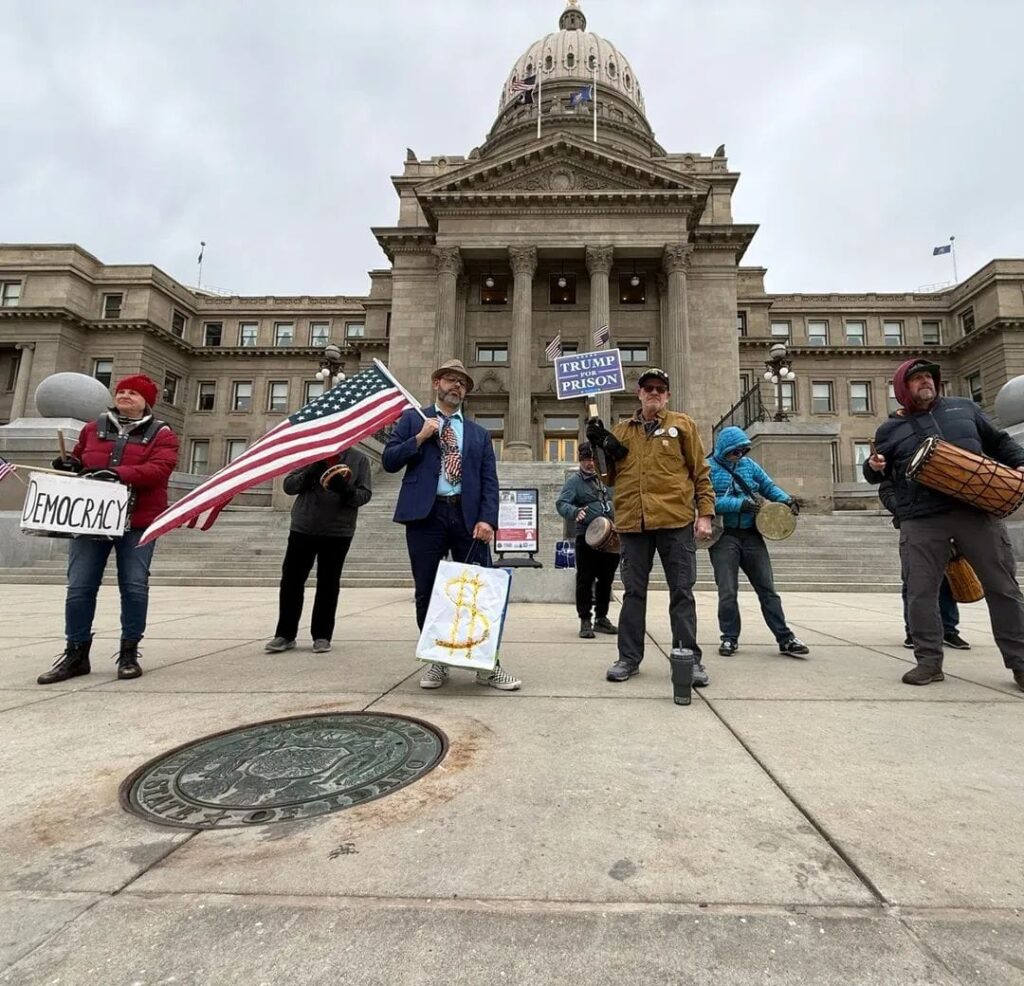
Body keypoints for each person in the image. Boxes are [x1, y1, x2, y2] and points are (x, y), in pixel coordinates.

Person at [864, 357, 1024, 690]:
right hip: (922, 520)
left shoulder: (964, 409)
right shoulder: (889, 430)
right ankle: (928, 661)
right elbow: (880, 478)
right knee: (921, 593)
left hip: (976, 513)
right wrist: (878, 475)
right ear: (902, 388)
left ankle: (1020, 663)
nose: (925, 382)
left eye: (929, 377)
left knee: (1004, 589)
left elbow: (1000, 442)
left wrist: (1020, 463)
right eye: (917, 379)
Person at [382, 358, 521, 691]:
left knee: (479, 595)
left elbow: (490, 479)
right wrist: (419, 438)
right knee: (427, 592)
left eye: (462, 383)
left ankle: (487, 665)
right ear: (436, 384)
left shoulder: (477, 433)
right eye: (451, 380)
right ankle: (437, 661)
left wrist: (488, 518)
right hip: (425, 516)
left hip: (466, 517)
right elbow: (389, 461)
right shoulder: (412, 420)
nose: (457, 386)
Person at [37, 374, 179, 684]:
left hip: (136, 521)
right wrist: (69, 464)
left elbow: (160, 469)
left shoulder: (162, 433)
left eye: (134, 393)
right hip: (92, 520)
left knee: (134, 586)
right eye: (122, 391)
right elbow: (80, 458)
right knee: (79, 587)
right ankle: (75, 653)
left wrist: (117, 474)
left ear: (147, 402)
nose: (125, 396)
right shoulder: (92, 428)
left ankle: (129, 653)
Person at [586, 368, 716, 684]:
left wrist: (705, 514)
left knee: (682, 591)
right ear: (639, 393)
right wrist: (600, 447)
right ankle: (628, 658)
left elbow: (700, 472)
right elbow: (608, 478)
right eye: (648, 388)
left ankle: (688, 659)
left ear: (667, 395)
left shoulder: (682, 425)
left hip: (674, 521)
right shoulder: (622, 430)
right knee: (633, 593)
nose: (654, 392)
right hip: (633, 523)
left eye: (660, 388)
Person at [706, 426, 809, 658]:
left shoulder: (750, 466)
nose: (739, 455)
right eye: (735, 451)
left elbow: (768, 486)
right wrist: (738, 505)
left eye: (743, 451)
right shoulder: (708, 468)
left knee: (767, 589)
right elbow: (704, 501)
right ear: (724, 449)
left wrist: (786, 500)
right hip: (724, 535)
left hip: (752, 534)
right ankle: (729, 638)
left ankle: (785, 638)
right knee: (728, 591)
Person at [264, 449, 372, 655]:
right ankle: (285, 634)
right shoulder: (311, 453)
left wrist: (346, 490)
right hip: (304, 527)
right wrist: (310, 472)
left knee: (328, 583)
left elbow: (364, 494)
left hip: (338, 531)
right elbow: (288, 486)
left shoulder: (359, 460)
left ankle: (322, 635)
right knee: (291, 581)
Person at [877, 476, 969, 651]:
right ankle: (914, 631)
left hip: (943, 523)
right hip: (913, 525)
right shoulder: (899, 457)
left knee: (947, 579)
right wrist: (905, 511)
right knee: (913, 580)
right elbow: (886, 490)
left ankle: (948, 629)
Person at [555, 442, 619, 639]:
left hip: (611, 538)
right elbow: (561, 503)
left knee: (606, 580)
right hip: (587, 538)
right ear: (580, 460)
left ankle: (602, 618)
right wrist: (575, 512)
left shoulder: (608, 478)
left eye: (593, 459)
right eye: (586, 460)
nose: (590, 463)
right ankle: (585, 619)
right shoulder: (574, 482)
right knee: (585, 579)